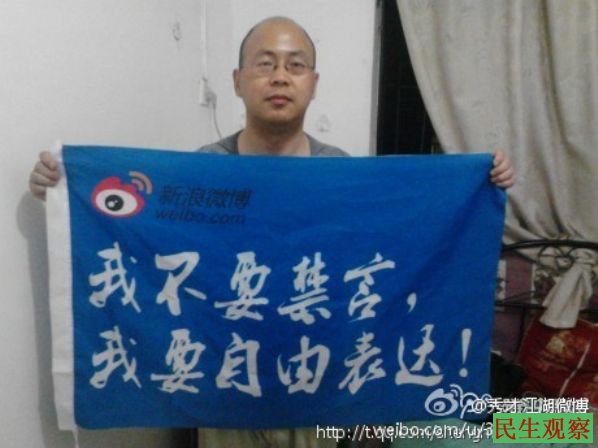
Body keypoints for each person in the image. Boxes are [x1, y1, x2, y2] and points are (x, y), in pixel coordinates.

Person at [28, 15, 515, 448]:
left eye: (295, 65)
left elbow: (391, 249)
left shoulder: (339, 171)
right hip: (227, 381)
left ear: (313, 83)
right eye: (264, 64)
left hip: (316, 377)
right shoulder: (204, 172)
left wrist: (482, 185)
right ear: (238, 81)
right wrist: (63, 189)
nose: (280, 76)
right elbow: (139, 228)